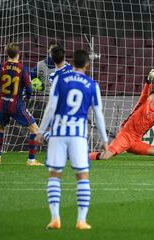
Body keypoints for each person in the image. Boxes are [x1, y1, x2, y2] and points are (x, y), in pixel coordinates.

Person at [35, 50, 109, 230]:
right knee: (82, 176)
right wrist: (105, 140)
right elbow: (98, 115)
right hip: (78, 135)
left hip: (58, 133)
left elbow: (51, 107)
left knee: (54, 175)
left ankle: (55, 218)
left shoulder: (60, 80)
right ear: (87, 65)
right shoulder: (92, 85)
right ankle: (81, 221)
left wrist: (41, 131)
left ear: (72, 63)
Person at [0, 43, 42, 166]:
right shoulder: (23, 69)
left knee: (0, 127)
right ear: (18, 54)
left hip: (2, 104)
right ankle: (31, 160)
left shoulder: (0, 67)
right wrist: (27, 97)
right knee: (35, 130)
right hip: (16, 105)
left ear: (7, 54)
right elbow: (29, 88)